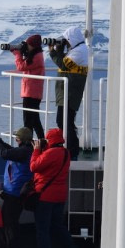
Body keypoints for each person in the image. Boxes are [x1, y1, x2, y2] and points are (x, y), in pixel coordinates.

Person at [30, 128, 81, 248]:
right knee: (58, 227)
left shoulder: (51, 153)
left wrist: (36, 151)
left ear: (50, 140)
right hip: (60, 196)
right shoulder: (66, 153)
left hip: (45, 196)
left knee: (42, 231)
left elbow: (34, 167)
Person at [0, 127, 34, 248]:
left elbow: (4, 153)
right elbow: (10, 150)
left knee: (10, 223)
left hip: (15, 193)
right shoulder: (26, 150)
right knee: (7, 222)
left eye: (17, 137)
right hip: (15, 192)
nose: (16, 138)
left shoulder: (24, 152)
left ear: (21, 139)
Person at [48, 26, 89, 159]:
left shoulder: (79, 52)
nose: (66, 42)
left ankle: (72, 151)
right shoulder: (77, 50)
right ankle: (71, 149)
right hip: (67, 91)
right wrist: (60, 50)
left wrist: (54, 52)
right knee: (66, 120)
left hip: (70, 92)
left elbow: (64, 65)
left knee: (64, 120)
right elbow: (65, 65)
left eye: (66, 40)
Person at [12, 34, 46, 139]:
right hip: (33, 92)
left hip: (31, 92)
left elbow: (21, 66)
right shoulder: (35, 55)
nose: (27, 46)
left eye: (28, 45)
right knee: (35, 120)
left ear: (33, 46)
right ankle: (42, 141)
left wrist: (17, 54)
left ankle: (27, 144)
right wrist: (22, 52)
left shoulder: (36, 57)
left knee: (28, 121)